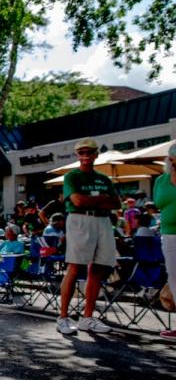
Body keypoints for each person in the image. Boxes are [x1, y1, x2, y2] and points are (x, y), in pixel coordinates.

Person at [57, 138, 117, 335]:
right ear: (77, 155)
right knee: (75, 266)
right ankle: (63, 317)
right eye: (81, 152)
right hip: (80, 220)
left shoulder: (104, 178)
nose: (85, 156)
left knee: (98, 268)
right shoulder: (71, 176)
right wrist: (101, 198)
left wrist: (92, 201)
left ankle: (88, 317)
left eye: (89, 152)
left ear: (95, 154)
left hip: (103, 221)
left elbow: (115, 203)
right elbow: (77, 200)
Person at [152, 146, 176, 341]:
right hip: (169, 234)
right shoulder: (161, 180)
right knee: (175, 278)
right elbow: (158, 203)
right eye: (172, 159)